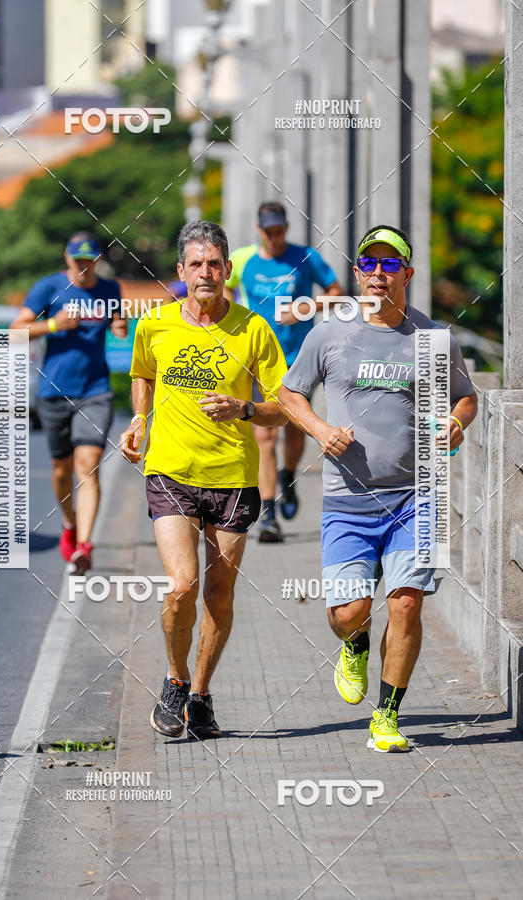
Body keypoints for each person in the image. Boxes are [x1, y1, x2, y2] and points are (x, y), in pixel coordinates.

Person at [279, 224, 478, 752]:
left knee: (408, 603)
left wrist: (457, 422)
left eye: (391, 265)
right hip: (348, 499)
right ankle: (357, 641)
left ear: (407, 274)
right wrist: (321, 430)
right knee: (348, 612)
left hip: (419, 494)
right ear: (358, 274)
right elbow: (289, 394)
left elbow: (467, 397)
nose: (378, 274)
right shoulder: (328, 333)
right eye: (370, 264)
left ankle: (387, 717)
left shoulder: (434, 340)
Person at [119, 221, 287, 740]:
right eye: (196, 264)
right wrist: (140, 419)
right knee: (182, 587)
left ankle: (201, 696)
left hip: (234, 480)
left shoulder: (254, 329)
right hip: (170, 471)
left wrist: (245, 409)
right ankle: (174, 679)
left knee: (218, 593)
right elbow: (143, 374)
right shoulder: (156, 324)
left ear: (228, 270)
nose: (206, 273)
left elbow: (285, 408)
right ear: (180, 271)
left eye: (215, 263)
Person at [225, 201, 342, 543]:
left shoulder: (305, 257)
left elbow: (335, 292)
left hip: (298, 359)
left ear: (286, 228)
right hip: (259, 360)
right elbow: (226, 288)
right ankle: (268, 513)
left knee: (294, 429)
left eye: (279, 232)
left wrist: (308, 306)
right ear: (259, 229)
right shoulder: (245, 260)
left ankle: (288, 476)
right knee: (265, 433)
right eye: (269, 232)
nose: (274, 238)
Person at [11, 231, 127, 574]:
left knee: (88, 465)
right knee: (62, 470)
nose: (84, 267)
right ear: (67, 258)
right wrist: (52, 324)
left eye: (89, 261)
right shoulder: (48, 288)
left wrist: (120, 326)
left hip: (96, 390)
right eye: (78, 261)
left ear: (98, 261)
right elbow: (13, 331)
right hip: (53, 391)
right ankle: (68, 523)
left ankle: (85, 547)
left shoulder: (110, 290)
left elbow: (118, 323)